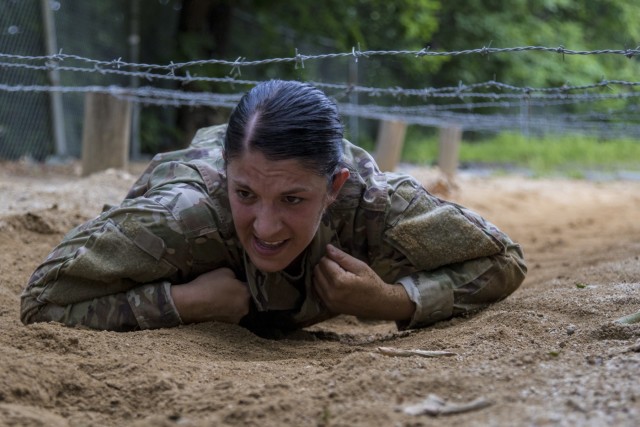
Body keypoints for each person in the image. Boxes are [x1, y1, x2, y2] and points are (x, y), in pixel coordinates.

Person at [21, 80, 527, 335]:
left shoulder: (375, 205)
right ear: (227, 177)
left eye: (292, 200)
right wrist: (183, 304)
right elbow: (43, 302)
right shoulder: (184, 216)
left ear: (334, 188)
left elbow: (503, 260)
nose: (264, 226)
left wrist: (391, 302)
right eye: (246, 195)